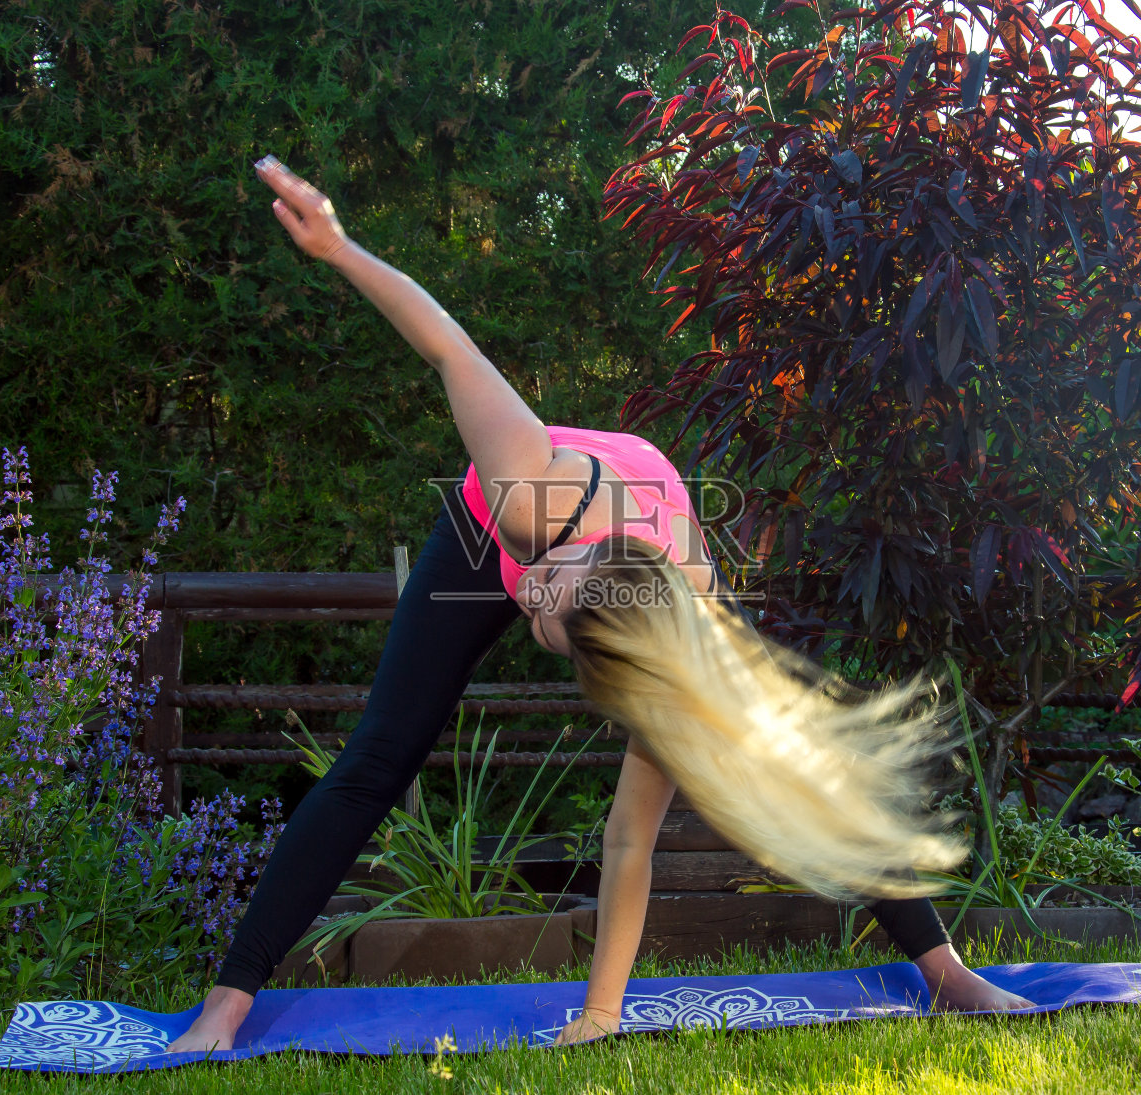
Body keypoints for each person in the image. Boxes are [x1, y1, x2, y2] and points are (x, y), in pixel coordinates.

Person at [165, 156, 1032, 1054]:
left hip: (635, 581)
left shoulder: (677, 629)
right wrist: (339, 247)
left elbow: (629, 841)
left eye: (543, 624)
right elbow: (449, 346)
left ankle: (946, 971)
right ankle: (226, 1003)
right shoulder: (524, 486)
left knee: (787, 758)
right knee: (382, 753)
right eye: (550, 594)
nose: (529, 600)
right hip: (495, 517)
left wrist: (603, 1015)